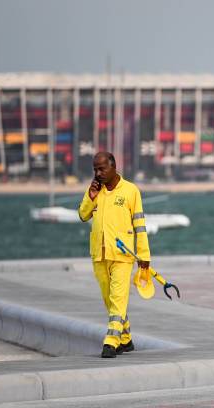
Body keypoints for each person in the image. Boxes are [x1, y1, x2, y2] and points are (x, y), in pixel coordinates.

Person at [78, 152, 150, 358]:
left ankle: (111, 341)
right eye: (95, 169)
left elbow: (140, 225)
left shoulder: (130, 191)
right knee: (109, 299)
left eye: (102, 169)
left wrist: (144, 255)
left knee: (118, 298)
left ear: (113, 167)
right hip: (99, 254)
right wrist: (90, 197)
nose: (98, 173)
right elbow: (83, 215)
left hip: (122, 255)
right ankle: (126, 340)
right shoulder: (94, 190)